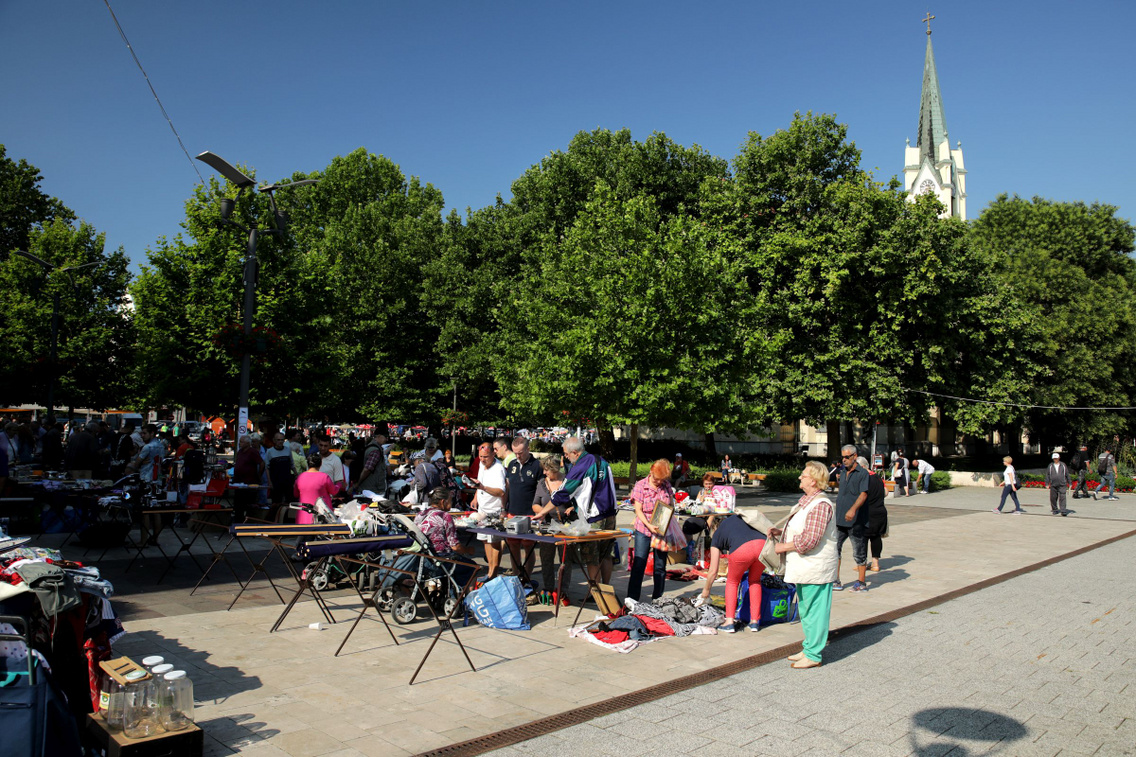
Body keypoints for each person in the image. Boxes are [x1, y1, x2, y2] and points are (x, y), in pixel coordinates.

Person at [771, 460, 838, 669]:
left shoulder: (820, 504)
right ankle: (809, 646)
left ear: (815, 480)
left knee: (815, 611)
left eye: (804, 475)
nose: (800, 477)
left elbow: (810, 540)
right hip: (805, 567)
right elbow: (802, 530)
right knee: (807, 610)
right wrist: (781, 534)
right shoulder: (808, 501)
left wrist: (784, 547)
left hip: (815, 567)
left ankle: (814, 654)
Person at [552, 436, 618, 586]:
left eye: (567, 454)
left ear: (575, 452)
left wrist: (543, 511)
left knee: (592, 558)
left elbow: (562, 494)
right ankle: (606, 589)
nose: (566, 458)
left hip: (594, 519)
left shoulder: (581, 466)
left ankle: (596, 594)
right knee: (606, 555)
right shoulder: (602, 461)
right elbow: (598, 488)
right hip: (610, 515)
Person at [627, 460, 687, 602]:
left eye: (662, 480)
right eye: (656, 479)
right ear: (651, 472)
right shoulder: (641, 485)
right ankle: (632, 599)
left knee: (660, 566)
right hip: (644, 528)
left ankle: (658, 598)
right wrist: (648, 525)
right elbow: (638, 510)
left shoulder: (666, 485)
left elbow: (671, 504)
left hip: (661, 530)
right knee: (639, 563)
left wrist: (668, 515)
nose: (659, 482)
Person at [698, 512, 766, 632]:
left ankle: (729, 622)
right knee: (755, 581)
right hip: (763, 546)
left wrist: (706, 591)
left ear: (714, 526)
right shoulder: (738, 518)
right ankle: (754, 622)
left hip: (743, 550)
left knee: (732, 582)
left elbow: (713, 571)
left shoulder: (717, 534)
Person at [531, 454, 573, 604]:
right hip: (547, 527)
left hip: (566, 526)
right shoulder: (542, 483)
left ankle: (563, 590)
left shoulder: (568, 482)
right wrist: (541, 511)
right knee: (546, 558)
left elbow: (578, 501)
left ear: (555, 469)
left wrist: (572, 507)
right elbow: (535, 503)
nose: (544, 473)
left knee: (565, 560)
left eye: (547, 470)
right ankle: (548, 587)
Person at [505, 436, 544, 578]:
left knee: (528, 546)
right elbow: (508, 488)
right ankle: (516, 575)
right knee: (513, 545)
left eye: (520, 453)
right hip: (513, 512)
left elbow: (542, 491)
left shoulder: (537, 466)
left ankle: (527, 576)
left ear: (528, 449)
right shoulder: (512, 464)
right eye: (515, 453)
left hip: (529, 513)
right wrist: (504, 508)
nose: (517, 456)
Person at [468, 442, 507, 579]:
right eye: (480, 457)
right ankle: (490, 571)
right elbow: (480, 481)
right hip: (482, 508)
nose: (483, 460)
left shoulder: (498, 469)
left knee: (494, 542)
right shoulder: (481, 464)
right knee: (484, 540)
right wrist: (476, 496)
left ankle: (494, 573)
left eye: (485, 457)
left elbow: (501, 492)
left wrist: (483, 488)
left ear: (493, 454)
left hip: (494, 510)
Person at [833, 444, 869, 593]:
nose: (844, 460)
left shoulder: (862, 473)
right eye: (842, 457)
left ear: (855, 456)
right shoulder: (842, 473)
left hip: (856, 520)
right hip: (840, 518)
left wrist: (853, 509)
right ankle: (836, 580)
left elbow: (863, 494)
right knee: (835, 549)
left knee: (859, 551)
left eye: (847, 457)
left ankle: (861, 582)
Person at [858, 456, 888, 572]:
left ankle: (863, 564)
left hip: (867, 512)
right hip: (880, 511)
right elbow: (885, 492)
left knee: (863, 539)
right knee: (876, 537)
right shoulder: (878, 478)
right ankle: (875, 564)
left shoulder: (864, 479)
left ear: (864, 467)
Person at [293, 453, 337, 525]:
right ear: (320, 464)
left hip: (303, 518)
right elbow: (334, 491)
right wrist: (339, 485)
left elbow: (295, 494)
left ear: (308, 463)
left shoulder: (300, 477)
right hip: (321, 518)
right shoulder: (324, 477)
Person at [231, 435, 264, 524]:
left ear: (247, 443)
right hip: (238, 482)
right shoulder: (240, 452)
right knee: (238, 503)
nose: (240, 443)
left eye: (242, 442)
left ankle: (246, 521)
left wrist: (258, 475)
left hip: (248, 482)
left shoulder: (252, 452)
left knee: (246, 503)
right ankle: (238, 520)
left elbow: (261, 463)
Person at [264, 432, 295, 506]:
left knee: (289, 501)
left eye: (282, 440)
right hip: (275, 482)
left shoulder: (288, 450)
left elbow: (292, 464)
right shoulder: (269, 452)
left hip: (287, 481)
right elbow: (267, 468)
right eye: (278, 440)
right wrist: (269, 482)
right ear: (274, 440)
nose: (280, 442)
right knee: (276, 502)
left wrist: (296, 476)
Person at [356, 429, 389, 497]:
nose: (387, 439)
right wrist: (358, 483)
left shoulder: (374, 447)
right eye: (385, 437)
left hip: (371, 488)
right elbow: (367, 469)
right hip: (372, 490)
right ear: (379, 436)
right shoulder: (375, 450)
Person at [1046, 452, 1070, 516]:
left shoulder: (1063, 465)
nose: (1055, 460)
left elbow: (1067, 474)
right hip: (1053, 484)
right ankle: (1055, 509)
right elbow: (1048, 475)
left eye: (1056, 458)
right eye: (1054, 459)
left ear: (1059, 458)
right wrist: (1047, 483)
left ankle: (1063, 510)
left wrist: (1069, 482)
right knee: (1053, 498)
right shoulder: (1050, 466)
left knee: (1062, 497)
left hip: (1062, 484)